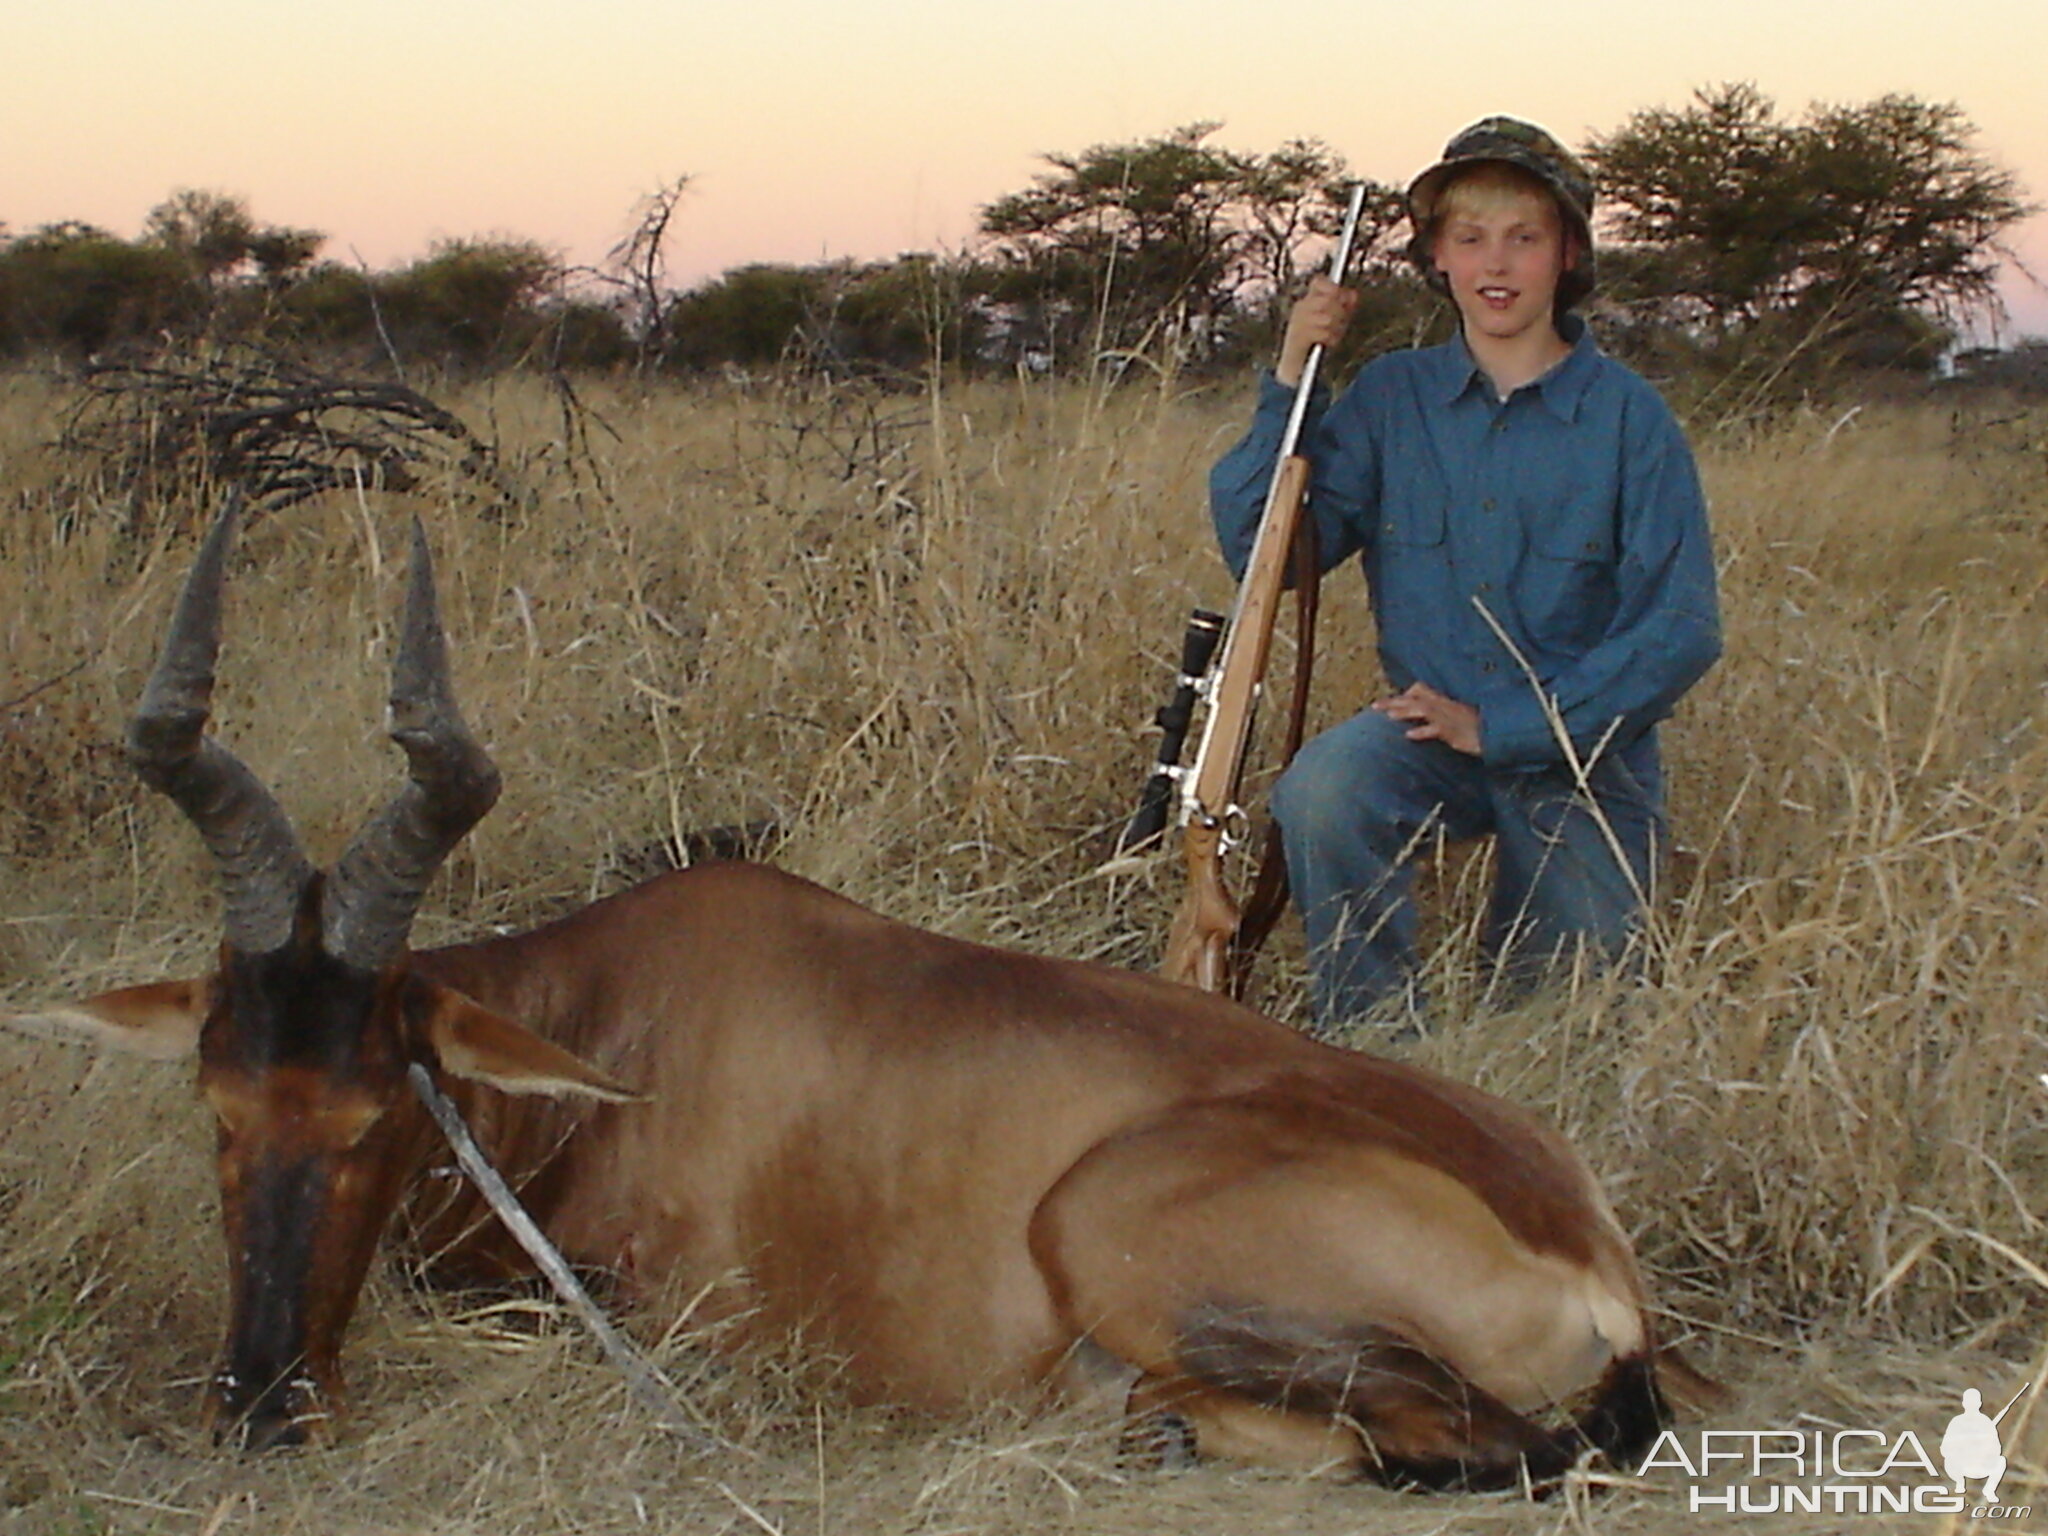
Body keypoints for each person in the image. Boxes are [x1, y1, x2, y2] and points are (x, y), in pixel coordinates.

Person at [1209, 116, 1722, 1034]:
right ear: (1437, 256)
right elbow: (1268, 554)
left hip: (1583, 758)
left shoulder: (1631, 421)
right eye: (1471, 236)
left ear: (1567, 255)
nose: (1498, 262)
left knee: (1565, 1037)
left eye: (1525, 237)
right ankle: (1376, 1047)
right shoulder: (1390, 397)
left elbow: (1679, 631)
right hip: (1427, 733)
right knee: (1323, 790)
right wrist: (1292, 374)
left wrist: (1509, 727)